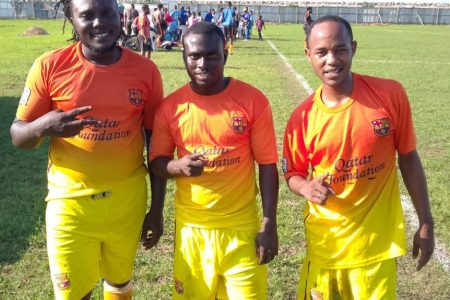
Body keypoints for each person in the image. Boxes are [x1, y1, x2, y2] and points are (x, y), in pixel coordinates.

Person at [10, 0, 165, 298]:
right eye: (87, 15)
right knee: (74, 293)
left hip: (126, 201)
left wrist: (156, 210)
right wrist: (44, 126)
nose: (99, 23)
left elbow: (155, 145)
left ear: (119, 15)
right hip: (70, 206)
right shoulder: (50, 66)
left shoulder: (145, 71)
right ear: (71, 18)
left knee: (119, 282)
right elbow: (18, 135)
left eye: (106, 12)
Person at [282, 15, 434, 299]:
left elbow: (409, 158)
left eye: (340, 49)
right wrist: (305, 186)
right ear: (308, 54)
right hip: (326, 246)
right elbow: (292, 173)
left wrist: (426, 222)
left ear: (353, 48)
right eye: (321, 52)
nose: (331, 60)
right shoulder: (301, 119)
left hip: (376, 250)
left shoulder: (390, 95)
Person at [149, 22, 279, 299]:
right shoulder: (171, 107)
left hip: (242, 230)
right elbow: (157, 162)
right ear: (184, 56)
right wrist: (177, 166)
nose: (202, 63)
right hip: (192, 232)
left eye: (212, 55)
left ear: (225, 55)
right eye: (194, 56)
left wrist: (269, 223)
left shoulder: (253, 101)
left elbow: (267, 165)